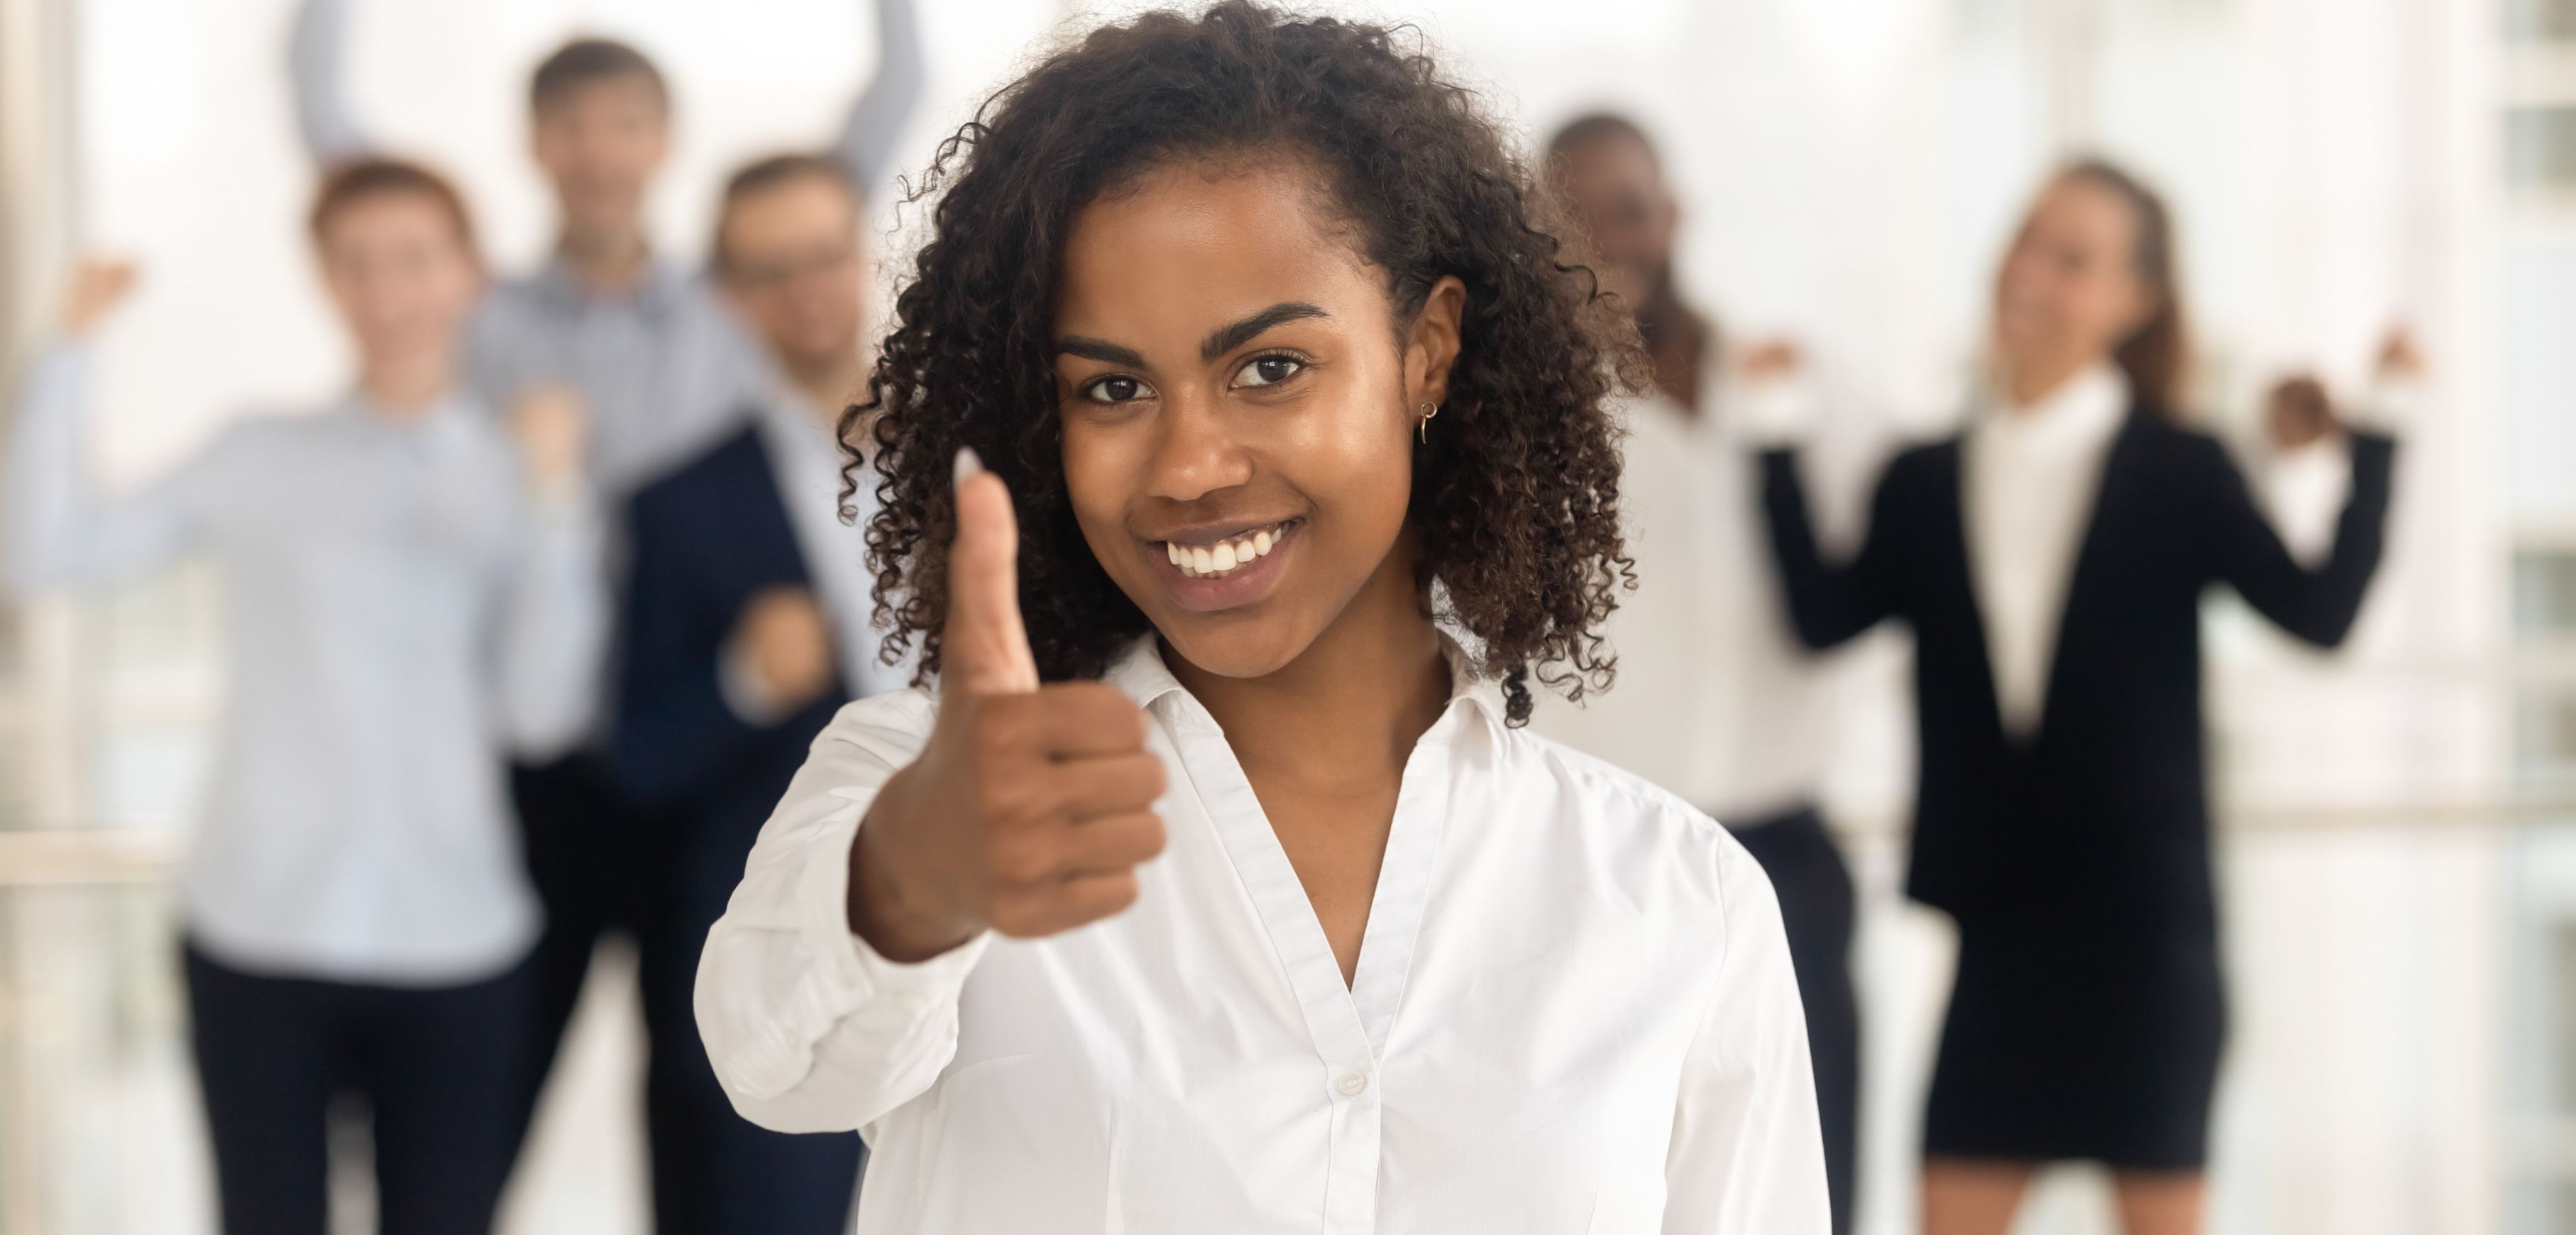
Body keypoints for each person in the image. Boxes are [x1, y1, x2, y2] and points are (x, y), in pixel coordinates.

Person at [692, 6, 1830, 1231]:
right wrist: (915, 876)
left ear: (1426, 351)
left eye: (1270, 368)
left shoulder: (1679, 904)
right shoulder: (915, 789)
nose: (1188, 465)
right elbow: (775, 1062)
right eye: (1113, 388)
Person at [292, 1, 928, 1184]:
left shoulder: (727, 307)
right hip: (547, 756)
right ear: (536, 146)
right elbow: (351, 171)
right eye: (573, 126)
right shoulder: (481, 316)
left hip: (703, 742)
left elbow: (866, 142)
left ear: (661, 141)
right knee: (487, 1094)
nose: (599, 150)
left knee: (707, 1086)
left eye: (624, 123)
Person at [1756, 160, 2399, 1235]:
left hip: (2148, 949)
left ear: (2131, 302)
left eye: (2073, 259)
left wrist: (2380, 437)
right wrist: (1771, 438)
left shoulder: (2184, 470)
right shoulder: (1921, 479)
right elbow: (1821, 618)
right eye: (2025, 241)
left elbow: (2319, 613)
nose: (2032, 275)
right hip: (1995, 946)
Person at [2, 160, 602, 1235]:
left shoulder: (520, 475)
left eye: (415, 261)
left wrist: (557, 505)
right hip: (257, 929)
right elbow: (38, 554)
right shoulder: (258, 455)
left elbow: (541, 713)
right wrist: (73, 351)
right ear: (324, 282)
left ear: (468, 276)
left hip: (456, 936)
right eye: (355, 265)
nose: (386, 295)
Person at [1532, 111, 1871, 1235]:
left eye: (1625, 207)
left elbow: (1941, 515)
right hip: (1605, 870)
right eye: (1570, 217)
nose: (1607, 238)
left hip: (1786, 858)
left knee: (1811, 1177)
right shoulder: (1528, 430)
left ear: (1672, 215)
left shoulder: (1799, 391)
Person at [610, 153, 906, 1233]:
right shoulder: (677, 504)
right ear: (728, 298)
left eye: (824, 254)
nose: (807, 289)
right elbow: (636, 760)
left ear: (867, 252)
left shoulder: (1003, 456)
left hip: (1007, 920)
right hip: (798, 953)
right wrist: (742, 682)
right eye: (770, 270)